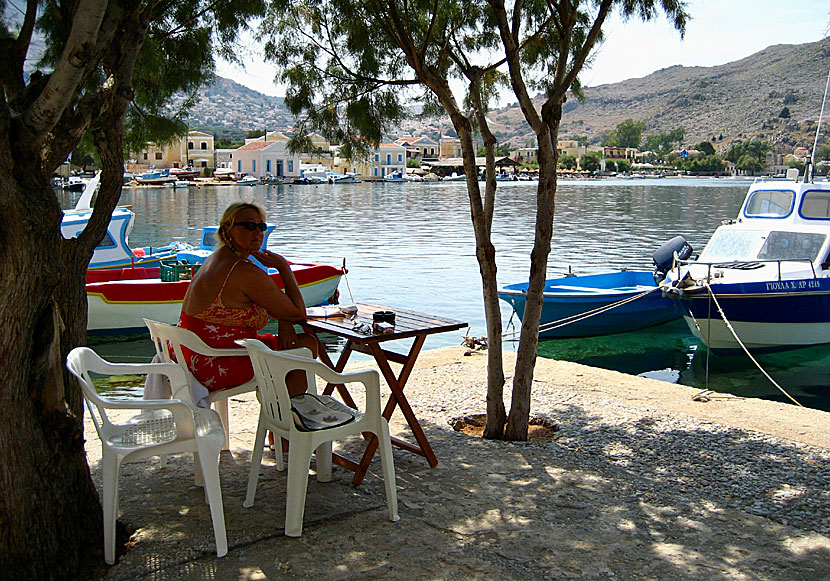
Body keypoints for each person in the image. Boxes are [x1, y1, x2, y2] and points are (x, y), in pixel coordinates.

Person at [178, 202, 317, 396]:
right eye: (250, 226)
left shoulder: (217, 258)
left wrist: (285, 320)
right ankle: (290, 418)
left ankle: (286, 413)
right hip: (214, 364)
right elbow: (297, 312)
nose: (258, 232)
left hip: (191, 355)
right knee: (306, 345)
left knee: (291, 345)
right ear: (228, 230)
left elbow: (274, 306)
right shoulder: (243, 271)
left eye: (261, 227)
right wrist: (284, 268)